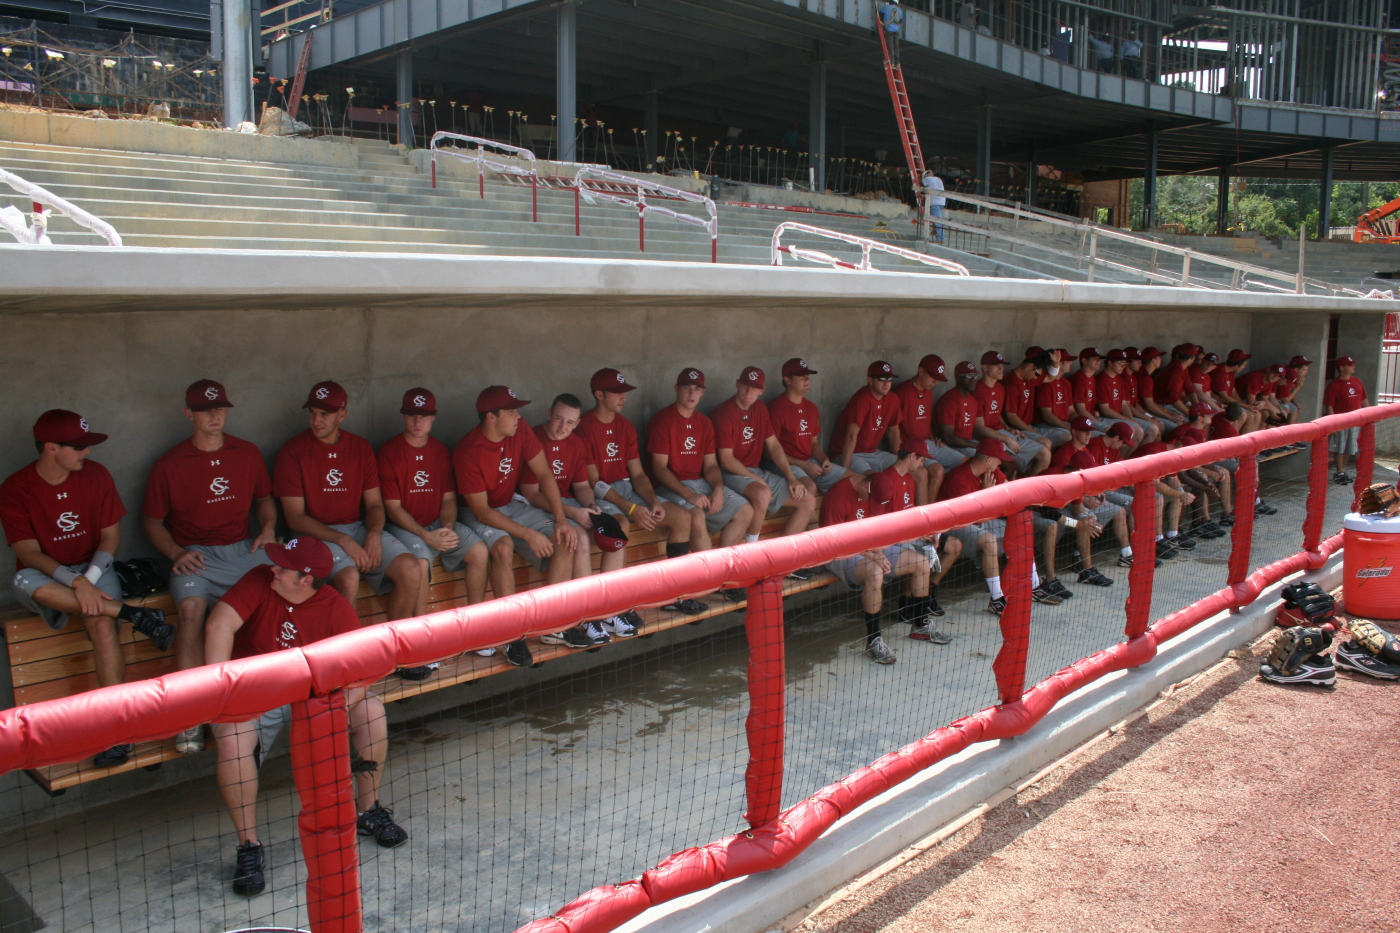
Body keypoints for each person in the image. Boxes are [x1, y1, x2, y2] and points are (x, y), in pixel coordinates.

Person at [205, 536, 406, 898]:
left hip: (314, 698)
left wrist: (340, 709)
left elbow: (365, 671)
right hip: (255, 691)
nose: (274, 568)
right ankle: (248, 846)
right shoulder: (260, 580)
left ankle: (368, 810)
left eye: (284, 567)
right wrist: (222, 692)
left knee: (372, 711)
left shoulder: (334, 607)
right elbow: (218, 625)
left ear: (306, 580)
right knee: (233, 741)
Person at [1, 409, 174, 768]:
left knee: (101, 624)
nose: (87, 453)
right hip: (46, 575)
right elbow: (26, 553)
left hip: (94, 567)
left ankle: (117, 734)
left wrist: (88, 581)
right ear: (50, 447)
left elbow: (111, 538)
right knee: (23, 581)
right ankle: (133, 615)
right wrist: (76, 583)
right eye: (79, 447)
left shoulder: (95, 476)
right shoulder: (16, 488)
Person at [143, 380, 277, 753]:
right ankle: (191, 717)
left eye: (220, 407)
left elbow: (265, 499)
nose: (215, 414)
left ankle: (280, 692)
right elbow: (151, 522)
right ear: (189, 415)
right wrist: (175, 553)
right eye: (205, 409)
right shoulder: (169, 464)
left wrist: (267, 529)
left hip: (243, 548)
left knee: (286, 592)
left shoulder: (246, 452)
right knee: (189, 611)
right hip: (196, 554)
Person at [275, 381, 423, 670]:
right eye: (313, 413)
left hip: (357, 528)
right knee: (348, 577)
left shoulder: (359, 448)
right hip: (312, 533)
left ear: (342, 415)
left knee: (412, 568)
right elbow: (295, 518)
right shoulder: (293, 451)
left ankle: (396, 654)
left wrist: (374, 534)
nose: (317, 420)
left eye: (325, 415)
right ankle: (346, 663)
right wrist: (344, 542)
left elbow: (376, 506)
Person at [455, 385, 584, 661]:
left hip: (511, 505)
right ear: (491, 417)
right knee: (502, 547)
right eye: (511, 411)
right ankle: (512, 636)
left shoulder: (520, 429)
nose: (518, 416)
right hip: (476, 512)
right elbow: (481, 511)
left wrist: (561, 519)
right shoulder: (469, 449)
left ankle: (554, 625)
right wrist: (528, 534)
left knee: (565, 539)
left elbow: (545, 473)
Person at [377, 387, 494, 670]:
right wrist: (426, 535)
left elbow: (449, 500)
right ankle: (421, 641)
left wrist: (446, 527)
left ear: (433, 418)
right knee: (421, 559)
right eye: (412, 416)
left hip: (436, 523)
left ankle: (476, 629)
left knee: (479, 551)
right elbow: (393, 508)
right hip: (405, 527)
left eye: (425, 416)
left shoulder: (440, 451)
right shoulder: (390, 452)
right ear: (404, 416)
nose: (418, 422)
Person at [575, 368, 706, 615]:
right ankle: (617, 606)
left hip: (628, 488)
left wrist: (652, 501)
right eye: (618, 393)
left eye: (625, 393)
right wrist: (631, 508)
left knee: (682, 517)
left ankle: (675, 593)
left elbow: (637, 474)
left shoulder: (625, 425)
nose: (624, 397)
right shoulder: (585, 427)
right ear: (599, 394)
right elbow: (593, 482)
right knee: (621, 523)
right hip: (601, 493)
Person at [522, 392, 642, 640]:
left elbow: (581, 486)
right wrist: (574, 512)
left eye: (569, 422)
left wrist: (590, 506)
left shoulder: (576, 442)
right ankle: (588, 615)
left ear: (577, 423)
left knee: (615, 524)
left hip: (570, 501)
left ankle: (608, 609)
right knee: (580, 538)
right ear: (548, 414)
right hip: (538, 504)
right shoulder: (533, 438)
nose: (562, 426)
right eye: (557, 419)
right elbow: (532, 494)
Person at [818, 465, 936, 665]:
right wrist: (871, 555)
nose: (874, 505)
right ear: (865, 486)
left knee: (921, 562)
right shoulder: (838, 496)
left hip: (870, 549)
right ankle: (874, 640)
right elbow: (833, 543)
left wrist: (882, 549)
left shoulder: (879, 491)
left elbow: (881, 530)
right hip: (839, 554)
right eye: (872, 500)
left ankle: (921, 625)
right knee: (875, 573)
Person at [938, 438, 1065, 613]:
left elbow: (1013, 492)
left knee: (1022, 529)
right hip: (955, 527)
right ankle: (997, 599)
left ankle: (1034, 586)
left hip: (983, 519)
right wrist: (987, 494)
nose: (1000, 463)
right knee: (989, 541)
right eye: (998, 459)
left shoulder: (991, 472)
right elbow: (969, 517)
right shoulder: (959, 479)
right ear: (988, 460)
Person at [650, 368, 755, 554]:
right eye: (687, 388)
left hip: (699, 483)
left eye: (697, 389)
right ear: (676, 388)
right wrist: (689, 495)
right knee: (696, 516)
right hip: (670, 486)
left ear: (703, 392)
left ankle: (722, 570)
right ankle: (709, 580)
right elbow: (659, 468)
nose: (692, 393)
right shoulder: (663, 419)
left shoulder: (704, 422)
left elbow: (711, 465)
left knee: (746, 511)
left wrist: (718, 489)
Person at [713, 366, 817, 552]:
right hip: (729, 473)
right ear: (737, 384)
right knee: (762, 493)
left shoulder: (760, 408)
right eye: (745, 386)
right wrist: (758, 479)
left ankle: (785, 557)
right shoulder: (724, 412)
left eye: (754, 388)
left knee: (807, 500)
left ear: (762, 391)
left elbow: (774, 445)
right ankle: (753, 551)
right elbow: (726, 460)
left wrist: (791, 478)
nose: (748, 392)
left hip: (754, 471)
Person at [768, 358, 848, 493]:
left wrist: (823, 459)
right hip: (787, 463)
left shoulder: (811, 407)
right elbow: (769, 451)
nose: (807, 380)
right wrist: (804, 465)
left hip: (810, 461)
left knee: (855, 480)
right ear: (787, 380)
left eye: (808, 376)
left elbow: (814, 443)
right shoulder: (776, 408)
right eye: (801, 376)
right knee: (809, 488)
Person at [892, 353, 957, 503]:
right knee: (937, 471)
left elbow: (925, 422)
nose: (935, 382)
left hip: (929, 443)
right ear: (921, 371)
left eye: (938, 379)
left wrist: (935, 439)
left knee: (967, 462)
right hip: (911, 447)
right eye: (932, 376)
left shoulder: (929, 393)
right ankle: (928, 516)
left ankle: (948, 507)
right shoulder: (902, 392)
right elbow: (893, 430)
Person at [973, 350, 1050, 476]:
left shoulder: (1000, 388)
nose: (1001, 369)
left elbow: (997, 413)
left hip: (1002, 432)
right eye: (996, 365)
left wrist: (1008, 429)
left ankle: (1034, 493)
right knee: (1013, 459)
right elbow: (979, 427)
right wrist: (1006, 438)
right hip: (986, 436)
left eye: (1002, 366)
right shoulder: (977, 390)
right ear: (984, 367)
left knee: (1045, 453)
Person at [833, 360, 903, 475]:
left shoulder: (893, 399)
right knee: (873, 480)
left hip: (874, 453)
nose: (886, 383)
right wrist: (844, 472)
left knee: (912, 470)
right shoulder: (862, 399)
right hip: (848, 454)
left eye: (889, 379)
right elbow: (851, 436)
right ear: (870, 380)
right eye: (881, 379)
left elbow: (893, 433)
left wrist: (900, 464)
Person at [1324, 355, 1368, 485]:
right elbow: (1329, 406)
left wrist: (1369, 413)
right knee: (1339, 448)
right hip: (1341, 422)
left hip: (1356, 421)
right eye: (1350, 365)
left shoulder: (1357, 381)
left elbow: (1364, 400)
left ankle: (1342, 472)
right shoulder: (1334, 385)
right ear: (1342, 368)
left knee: (1350, 448)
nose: (1353, 367)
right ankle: (1339, 471)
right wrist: (1334, 424)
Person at [933, 361, 982, 461]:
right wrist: (976, 445)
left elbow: (975, 429)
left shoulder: (972, 400)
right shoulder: (949, 400)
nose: (973, 379)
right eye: (968, 376)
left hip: (968, 442)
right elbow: (948, 436)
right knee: (982, 461)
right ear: (957, 378)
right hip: (952, 445)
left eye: (975, 375)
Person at [921, 171, 946, 241]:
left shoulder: (927, 179)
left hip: (935, 201)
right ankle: (935, 230)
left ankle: (940, 238)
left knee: (937, 220)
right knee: (933, 216)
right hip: (941, 201)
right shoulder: (938, 179)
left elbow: (922, 183)